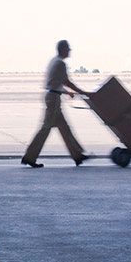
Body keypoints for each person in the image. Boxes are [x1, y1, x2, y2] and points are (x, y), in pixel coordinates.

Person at [21, 40, 92, 168]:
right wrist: (85, 93)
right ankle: (29, 157)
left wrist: (67, 93)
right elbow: (67, 82)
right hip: (53, 99)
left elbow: (56, 82)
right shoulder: (60, 63)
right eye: (68, 49)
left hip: (53, 96)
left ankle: (77, 155)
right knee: (46, 128)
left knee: (64, 127)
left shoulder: (54, 61)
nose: (69, 51)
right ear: (63, 49)